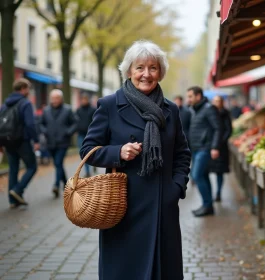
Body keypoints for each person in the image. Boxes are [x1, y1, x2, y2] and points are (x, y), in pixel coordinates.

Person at [80, 40, 191, 280]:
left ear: (160, 73)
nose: (146, 74)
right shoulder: (110, 105)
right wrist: (117, 152)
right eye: (140, 68)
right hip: (123, 205)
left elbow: (182, 153)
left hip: (163, 205)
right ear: (129, 71)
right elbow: (87, 149)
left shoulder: (171, 110)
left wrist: (176, 187)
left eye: (153, 68)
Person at [0, 78, 39, 208]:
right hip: (22, 141)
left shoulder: (5, 104)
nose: (28, 91)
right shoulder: (25, 103)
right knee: (32, 166)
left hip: (7, 141)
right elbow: (30, 124)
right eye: (27, 88)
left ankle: (12, 201)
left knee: (13, 169)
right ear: (23, 89)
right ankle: (18, 190)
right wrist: (36, 140)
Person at [187, 86, 221, 217]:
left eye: (190, 96)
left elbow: (218, 128)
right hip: (196, 149)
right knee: (203, 175)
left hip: (204, 148)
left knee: (196, 175)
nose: (188, 99)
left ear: (198, 96)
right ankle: (208, 206)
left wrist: (215, 147)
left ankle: (207, 205)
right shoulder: (196, 110)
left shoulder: (208, 109)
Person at [40, 89, 78, 198]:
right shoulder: (46, 110)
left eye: (57, 98)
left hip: (63, 142)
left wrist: (68, 132)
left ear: (61, 99)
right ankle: (67, 184)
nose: (54, 100)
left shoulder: (67, 109)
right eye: (53, 98)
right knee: (58, 164)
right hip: (50, 142)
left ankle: (56, 185)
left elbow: (75, 122)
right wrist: (45, 131)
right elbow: (40, 123)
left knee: (57, 162)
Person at [210, 95, 232, 202]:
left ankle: (218, 192)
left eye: (218, 101)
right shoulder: (210, 113)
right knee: (208, 171)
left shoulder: (225, 113)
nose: (216, 103)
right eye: (215, 101)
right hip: (210, 147)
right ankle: (211, 194)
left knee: (219, 172)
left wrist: (220, 142)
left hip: (221, 148)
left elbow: (229, 129)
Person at [76, 93, 96, 176]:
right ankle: (87, 171)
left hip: (90, 135)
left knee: (92, 152)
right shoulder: (78, 110)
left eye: (85, 99)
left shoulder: (92, 110)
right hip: (81, 134)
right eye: (82, 99)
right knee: (83, 153)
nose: (84, 101)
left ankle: (95, 163)